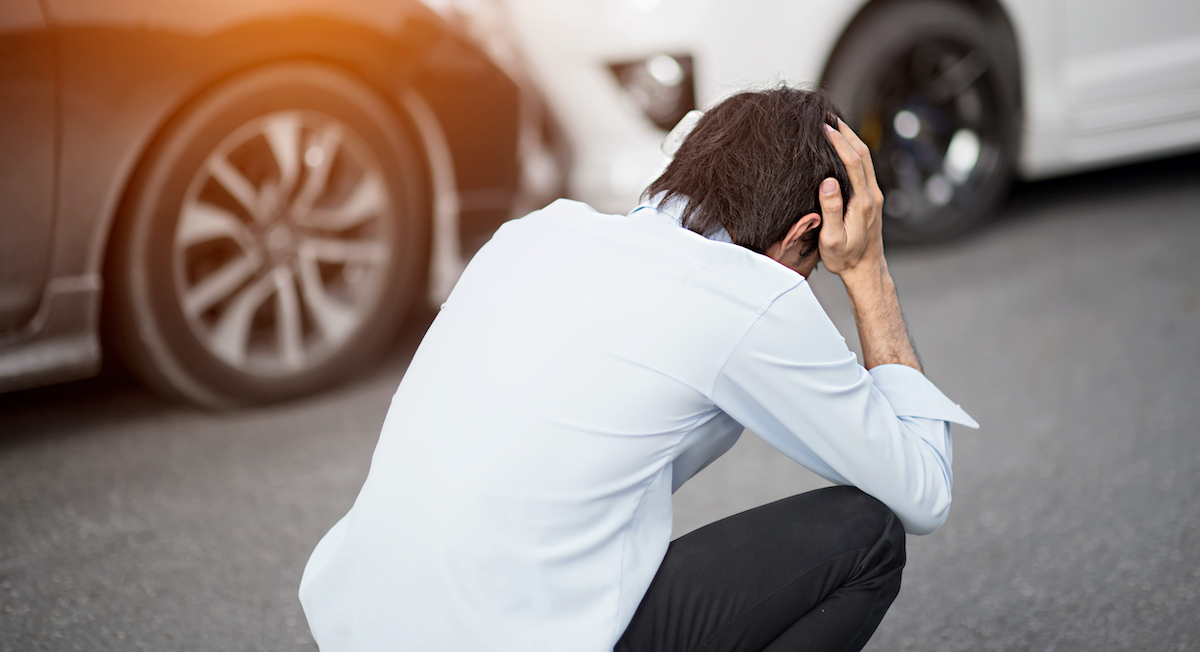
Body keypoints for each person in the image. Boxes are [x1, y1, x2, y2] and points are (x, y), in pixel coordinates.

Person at [298, 86, 978, 652]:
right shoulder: (744, 293)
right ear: (805, 233)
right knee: (867, 533)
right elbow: (921, 491)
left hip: (355, 625)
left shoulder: (535, 233)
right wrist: (865, 271)